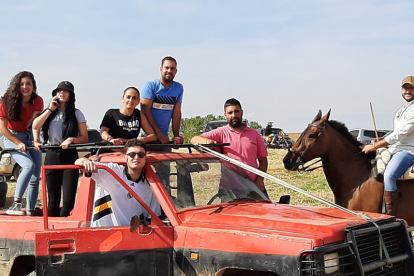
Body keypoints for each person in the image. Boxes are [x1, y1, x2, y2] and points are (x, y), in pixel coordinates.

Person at [32, 81, 88, 217]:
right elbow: (35, 126)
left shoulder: (76, 113)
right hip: (52, 153)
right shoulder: (50, 112)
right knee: (53, 199)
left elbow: (85, 137)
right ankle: (51, 227)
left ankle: (64, 224)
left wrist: (71, 139)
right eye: (59, 91)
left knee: (68, 199)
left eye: (65, 91)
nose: (62, 93)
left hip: (69, 154)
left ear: (71, 95)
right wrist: (36, 140)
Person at [75, 139, 161, 227]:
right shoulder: (111, 171)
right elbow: (79, 162)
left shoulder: (151, 188)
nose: (136, 157)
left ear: (145, 158)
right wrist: (85, 162)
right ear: (125, 157)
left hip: (132, 236)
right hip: (103, 233)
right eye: (132, 154)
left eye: (141, 154)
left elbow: (153, 221)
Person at [191, 98, 268, 192]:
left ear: (242, 112)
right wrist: (208, 142)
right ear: (225, 115)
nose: (234, 115)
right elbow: (194, 139)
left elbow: (263, 160)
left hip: (253, 187)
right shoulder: (221, 132)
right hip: (229, 190)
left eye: (236, 111)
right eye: (230, 113)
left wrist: (260, 180)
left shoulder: (254, 134)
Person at [362, 76, 414, 215]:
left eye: (411, 88)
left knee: (389, 174)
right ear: (402, 90)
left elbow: (400, 134)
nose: (408, 91)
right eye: (405, 88)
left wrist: (375, 146)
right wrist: (379, 140)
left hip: (408, 150)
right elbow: (395, 131)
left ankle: (390, 215)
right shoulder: (402, 109)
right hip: (395, 148)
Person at [0, 71, 44, 216]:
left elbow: (34, 124)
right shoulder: (6, 102)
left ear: (33, 85)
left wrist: (36, 140)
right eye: (21, 84)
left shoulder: (37, 100)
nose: (25, 87)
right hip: (12, 138)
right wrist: (18, 142)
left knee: (35, 175)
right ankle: (16, 203)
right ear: (16, 86)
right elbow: (2, 128)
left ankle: (30, 210)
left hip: (31, 137)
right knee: (28, 165)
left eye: (28, 84)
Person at [140, 56, 184, 144]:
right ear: (161, 69)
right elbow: (144, 111)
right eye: (166, 68)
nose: (169, 71)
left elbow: (176, 114)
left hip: (164, 139)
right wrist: (158, 134)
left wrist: (176, 136)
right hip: (147, 137)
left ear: (175, 71)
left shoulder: (179, 88)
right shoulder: (150, 86)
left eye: (172, 68)